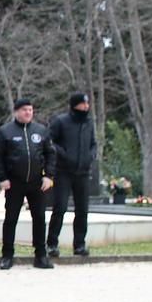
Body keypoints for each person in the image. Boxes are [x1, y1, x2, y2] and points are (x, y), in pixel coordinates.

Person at [0, 98, 55, 270]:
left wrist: (48, 176)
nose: (28, 113)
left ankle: (40, 255)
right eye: (24, 109)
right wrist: (2, 178)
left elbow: (50, 153)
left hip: (36, 182)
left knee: (39, 218)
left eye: (30, 110)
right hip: (14, 183)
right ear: (16, 112)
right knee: (11, 219)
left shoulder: (41, 131)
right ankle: (7, 256)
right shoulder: (5, 132)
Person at [46, 93, 98, 258]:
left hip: (83, 172)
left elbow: (93, 143)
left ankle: (79, 244)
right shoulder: (61, 121)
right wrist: (63, 154)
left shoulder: (89, 123)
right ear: (75, 105)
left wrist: (91, 155)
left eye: (87, 104)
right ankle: (52, 244)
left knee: (82, 210)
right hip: (64, 172)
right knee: (60, 208)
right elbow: (50, 141)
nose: (86, 107)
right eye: (83, 104)